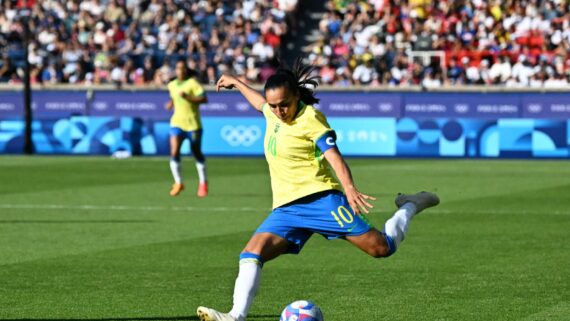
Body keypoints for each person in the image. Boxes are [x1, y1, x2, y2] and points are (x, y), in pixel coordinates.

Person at [197, 59, 440, 321]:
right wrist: (237, 82)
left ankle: (410, 204)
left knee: (381, 248)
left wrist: (349, 188)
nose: (279, 111)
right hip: (287, 208)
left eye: (284, 104)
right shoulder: (271, 111)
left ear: (297, 96)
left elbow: (335, 156)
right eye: (274, 105)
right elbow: (260, 103)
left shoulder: (311, 118)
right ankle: (235, 316)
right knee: (251, 253)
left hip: (322, 201)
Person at [166, 60, 209, 197]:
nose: (181, 71)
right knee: (174, 151)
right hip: (177, 123)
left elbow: (204, 99)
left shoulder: (192, 84)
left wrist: (188, 97)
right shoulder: (171, 85)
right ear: (176, 71)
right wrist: (171, 104)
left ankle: (203, 182)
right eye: (178, 68)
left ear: (186, 70)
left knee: (196, 152)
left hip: (193, 125)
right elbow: (174, 97)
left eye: (183, 68)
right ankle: (178, 182)